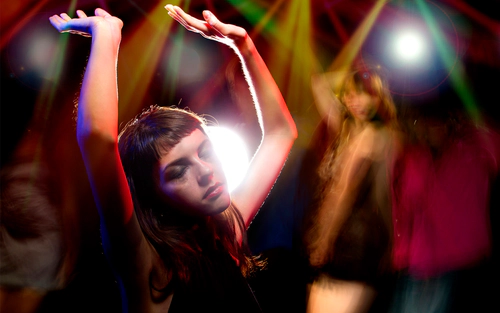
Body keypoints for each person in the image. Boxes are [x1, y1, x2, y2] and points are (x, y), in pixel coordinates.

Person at [48, 4, 297, 313]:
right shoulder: (147, 264)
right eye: (178, 172)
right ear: (154, 194)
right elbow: (97, 138)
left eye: (205, 152)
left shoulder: (224, 230)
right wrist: (107, 36)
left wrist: (243, 44)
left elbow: (281, 133)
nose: (206, 171)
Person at [389, 101, 500, 313]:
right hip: (421, 264)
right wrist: (401, 254)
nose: (429, 128)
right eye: (422, 123)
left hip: (457, 261)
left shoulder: (472, 149)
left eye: (436, 122)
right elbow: (405, 208)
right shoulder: (414, 157)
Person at [303, 65, 398, 313]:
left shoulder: (372, 137)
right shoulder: (348, 131)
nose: (356, 101)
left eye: (366, 94)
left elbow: (342, 195)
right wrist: (357, 75)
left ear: (379, 97)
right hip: (357, 243)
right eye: (350, 94)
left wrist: (323, 240)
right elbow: (319, 82)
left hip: (351, 243)